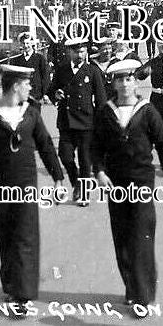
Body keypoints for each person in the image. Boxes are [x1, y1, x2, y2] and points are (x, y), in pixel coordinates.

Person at [0, 65, 66, 307]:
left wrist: (58, 177)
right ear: (15, 86)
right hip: (0, 184)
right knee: (8, 235)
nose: (30, 87)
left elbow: (45, 146)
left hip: (26, 182)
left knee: (26, 236)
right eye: (27, 83)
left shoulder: (31, 113)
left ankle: (22, 294)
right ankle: (11, 286)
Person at [91, 59, 163, 312]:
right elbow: (95, 146)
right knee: (122, 236)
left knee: (141, 235)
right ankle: (131, 286)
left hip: (141, 180)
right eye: (120, 80)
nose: (125, 84)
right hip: (115, 182)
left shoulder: (148, 111)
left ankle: (143, 294)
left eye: (129, 79)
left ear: (136, 82)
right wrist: (99, 171)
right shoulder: (106, 112)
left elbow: (162, 144)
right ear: (114, 84)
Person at [50, 37, 107, 206]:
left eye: (82, 51)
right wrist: (55, 94)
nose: (79, 54)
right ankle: (76, 182)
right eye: (76, 51)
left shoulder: (93, 71)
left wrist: (100, 123)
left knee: (85, 160)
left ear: (87, 52)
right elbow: (51, 89)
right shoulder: (62, 70)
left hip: (86, 122)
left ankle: (83, 194)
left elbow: (102, 99)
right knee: (65, 155)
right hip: (66, 121)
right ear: (69, 52)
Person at [10, 32, 50, 104]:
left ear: (32, 43)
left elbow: (45, 77)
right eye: (24, 43)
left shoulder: (40, 58)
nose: (26, 46)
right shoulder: (17, 60)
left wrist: (45, 93)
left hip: (36, 95)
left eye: (28, 43)